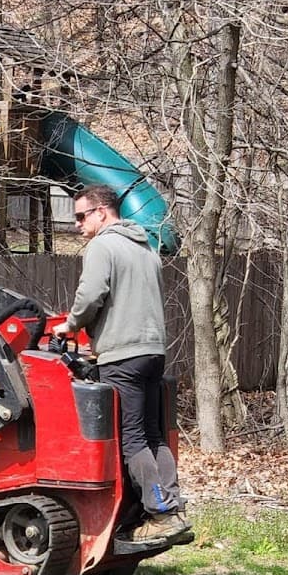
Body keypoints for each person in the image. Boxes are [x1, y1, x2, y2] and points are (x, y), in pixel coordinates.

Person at [53, 184, 190, 543]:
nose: (78, 225)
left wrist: (71, 325)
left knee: (131, 441)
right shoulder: (146, 248)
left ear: (102, 212)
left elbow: (91, 295)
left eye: (81, 216)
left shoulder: (103, 245)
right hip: (153, 351)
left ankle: (160, 513)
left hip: (122, 357)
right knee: (153, 434)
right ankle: (172, 507)